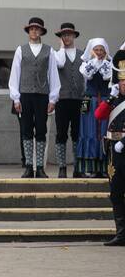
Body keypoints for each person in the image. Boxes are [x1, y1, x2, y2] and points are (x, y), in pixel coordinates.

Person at [8, 17, 60, 178]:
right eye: (32, 29)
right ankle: (29, 166)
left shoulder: (49, 51)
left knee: (41, 130)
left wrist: (53, 99)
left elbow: (53, 75)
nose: (34, 31)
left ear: (41, 32)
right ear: (28, 31)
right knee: (26, 130)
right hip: (25, 95)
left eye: (37, 29)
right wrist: (16, 98)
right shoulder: (20, 50)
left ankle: (40, 167)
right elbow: (15, 74)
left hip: (42, 95)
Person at [94, 66, 125, 246]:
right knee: (115, 193)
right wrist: (110, 98)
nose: (124, 85)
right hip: (114, 151)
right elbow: (99, 115)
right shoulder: (114, 100)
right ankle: (121, 234)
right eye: (122, 82)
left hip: (124, 146)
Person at [52, 22, 85, 179]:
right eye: (64, 35)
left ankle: (78, 166)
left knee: (78, 133)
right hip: (62, 99)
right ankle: (62, 167)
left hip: (79, 99)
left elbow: (86, 78)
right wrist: (61, 48)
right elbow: (60, 64)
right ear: (61, 37)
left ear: (74, 36)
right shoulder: (57, 54)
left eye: (69, 34)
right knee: (61, 133)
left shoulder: (83, 55)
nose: (67, 37)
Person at [78, 38, 113, 178]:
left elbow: (107, 77)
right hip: (89, 100)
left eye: (101, 50)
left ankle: (104, 167)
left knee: (104, 131)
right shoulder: (86, 64)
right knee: (88, 130)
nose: (99, 53)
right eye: (96, 50)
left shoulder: (109, 65)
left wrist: (103, 62)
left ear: (105, 51)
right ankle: (89, 167)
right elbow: (87, 74)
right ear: (91, 51)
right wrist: (93, 62)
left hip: (104, 101)